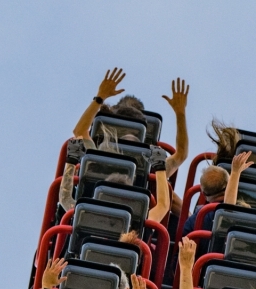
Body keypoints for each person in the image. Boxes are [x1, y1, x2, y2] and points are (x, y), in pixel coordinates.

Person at [58, 70, 189, 214]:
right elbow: (79, 132)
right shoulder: (98, 153)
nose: (130, 139)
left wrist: (180, 113)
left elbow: (180, 154)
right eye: (123, 131)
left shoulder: (150, 162)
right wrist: (99, 98)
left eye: (135, 134)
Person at [182, 151, 253, 236]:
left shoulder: (195, 219)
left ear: (204, 195)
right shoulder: (246, 214)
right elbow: (227, 210)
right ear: (228, 186)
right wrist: (235, 173)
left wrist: (235, 173)